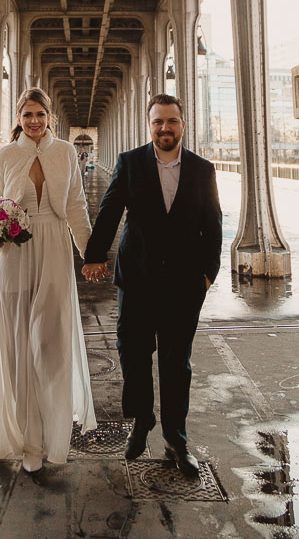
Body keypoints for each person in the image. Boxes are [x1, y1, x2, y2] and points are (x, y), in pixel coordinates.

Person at [82, 94, 222, 475]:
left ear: (182, 124)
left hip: (183, 284)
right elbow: (110, 211)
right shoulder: (130, 163)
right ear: (150, 125)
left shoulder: (202, 170)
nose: (164, 128)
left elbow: (213, 226)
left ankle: (177, 440)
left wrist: (208, 274)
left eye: (171, 121)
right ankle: (141, 422)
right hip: (138, 279)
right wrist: (93, 256)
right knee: (133, 354)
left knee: (177, 364)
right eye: (158, 122)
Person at [0, 87, 97, 474]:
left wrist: (90, 254)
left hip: (53, 248)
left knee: (51, 344)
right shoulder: (5, 155)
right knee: (18, 344)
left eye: (40, 114)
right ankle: (29, 442)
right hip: (15, 251)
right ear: (18, 117)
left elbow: (77, 206)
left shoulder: (64, 153)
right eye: (27, 114)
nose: (34, 121)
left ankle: (53, 438)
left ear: (51, 117)